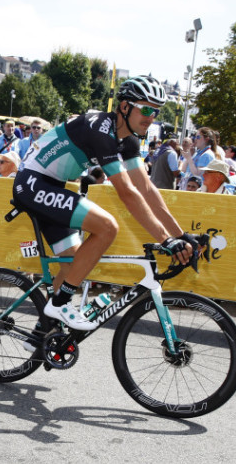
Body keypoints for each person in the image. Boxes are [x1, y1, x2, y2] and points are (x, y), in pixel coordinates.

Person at [13, 75, 195, 331]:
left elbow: (146, 188)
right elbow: (128, 193)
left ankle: (45, 331)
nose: (151, 117)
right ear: (124, 107)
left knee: (74, 262)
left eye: (155, 112)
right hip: (33, 183)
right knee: (107, 227)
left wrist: (181, 235)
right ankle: (60, 304)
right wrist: (166, 240)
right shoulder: (100, 128)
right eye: (145, 109)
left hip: (52, 185)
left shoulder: (129, 139)